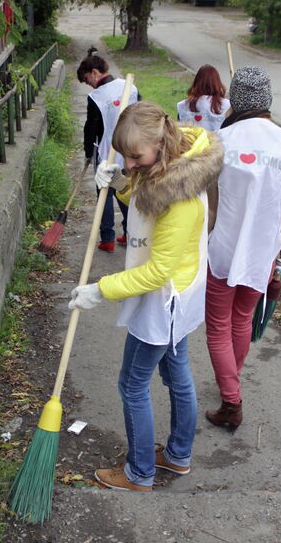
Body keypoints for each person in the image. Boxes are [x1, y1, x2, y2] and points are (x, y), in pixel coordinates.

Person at [68, 101, 224, 491]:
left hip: (165, 299)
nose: (131, 164)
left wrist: (99, 290)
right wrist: (118, 183)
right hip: (179, 296)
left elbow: (157, 273)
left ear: (160, 142)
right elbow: (141, 205)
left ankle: (139, 473)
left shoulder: (183, 198)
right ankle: (177, 456)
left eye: (135, 157)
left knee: (132, 385)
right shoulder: (164, 167)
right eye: (125, 157)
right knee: (177, 375)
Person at [204, 66, 281, 430]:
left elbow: (211, 206)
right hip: (264, 251)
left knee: (217, 327)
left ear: (236, 100)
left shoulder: (219, 140)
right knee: (242, 319)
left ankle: (231, 401)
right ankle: (232, 380)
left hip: (225, 248)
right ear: (267, 99)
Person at [77, 47, 139, 252]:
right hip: (131, 153)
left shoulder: (96, 97)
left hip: (106, 154)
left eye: (87, 80)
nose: (89, 85)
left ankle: (107, 239)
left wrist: (88, 151)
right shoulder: (130, 86)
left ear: (95, 73)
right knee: (124, 191)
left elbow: (91, 128)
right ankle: (131, 233)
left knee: (104, 194)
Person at [176, 64, 230, 132]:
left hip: (193, 142)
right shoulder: (227, 105)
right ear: (217, 83)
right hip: (218, 142)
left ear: (197, 82)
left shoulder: (183, 105)